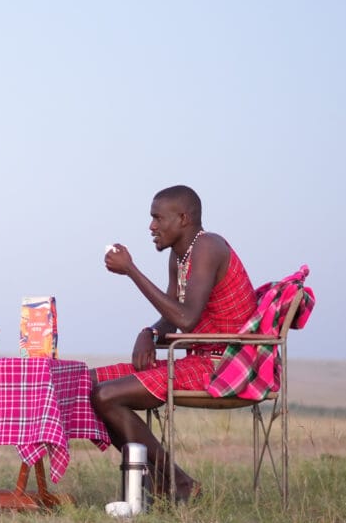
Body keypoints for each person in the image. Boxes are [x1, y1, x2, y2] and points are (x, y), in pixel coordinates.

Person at [90, 185, 258, 503]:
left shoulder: (208, 246)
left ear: (183, 218)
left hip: (226, 364)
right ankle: (163, 480)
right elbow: (172, 316)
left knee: (106, 395)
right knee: (92, 382)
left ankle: (177, 482)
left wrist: (131, 271)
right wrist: (150, 333)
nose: (151, 227)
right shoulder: (180, 255)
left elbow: (186, 318)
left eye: (157, 218)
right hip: (199, 357)